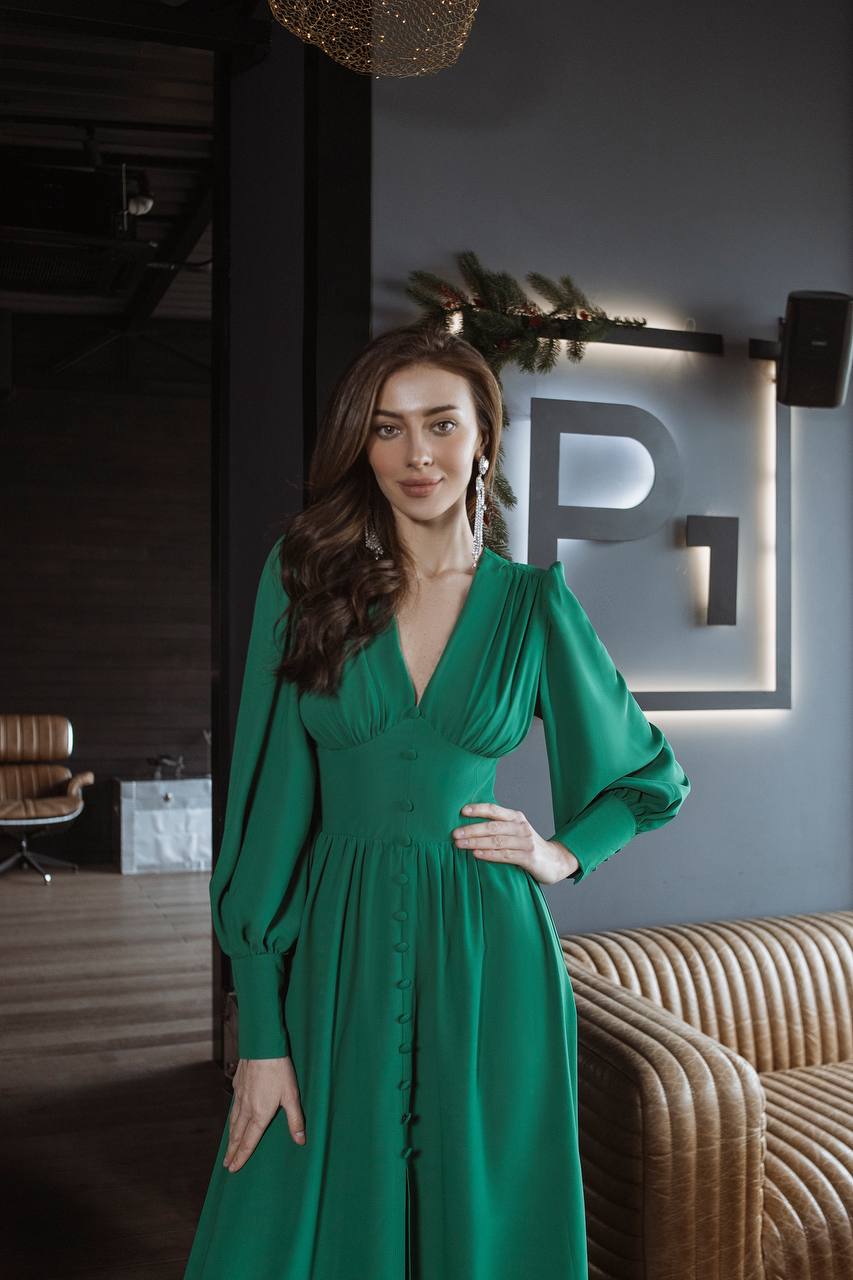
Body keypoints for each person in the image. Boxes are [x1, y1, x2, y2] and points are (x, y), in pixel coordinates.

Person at [183, 324, 691, 1279]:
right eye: (386, 429)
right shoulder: (303, 586)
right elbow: (267, 812)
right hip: (334, 956)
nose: (416, 454)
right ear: (360, 449)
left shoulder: (533, 604)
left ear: (482, 442)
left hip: (490, 961)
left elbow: (649, 780)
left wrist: (561, 851)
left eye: (441, 425)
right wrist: (261, 1027)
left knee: (484, 1237)